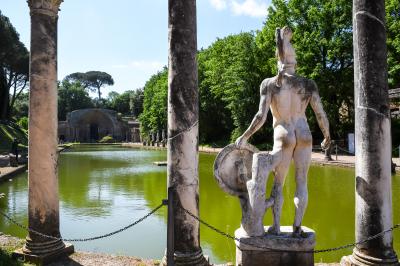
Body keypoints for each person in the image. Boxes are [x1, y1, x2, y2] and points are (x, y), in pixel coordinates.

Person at [235, 26, 331, 237]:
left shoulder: (269, 84)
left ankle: (276, 227)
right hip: (304, 134)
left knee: (279, 182)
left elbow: (260, 117)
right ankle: (297, 227)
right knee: (302, 182)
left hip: (283, 134)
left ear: (279, 60)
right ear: (294, 60)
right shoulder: (308, 84)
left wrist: (244, 136)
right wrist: (327, 136)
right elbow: (321, 114)